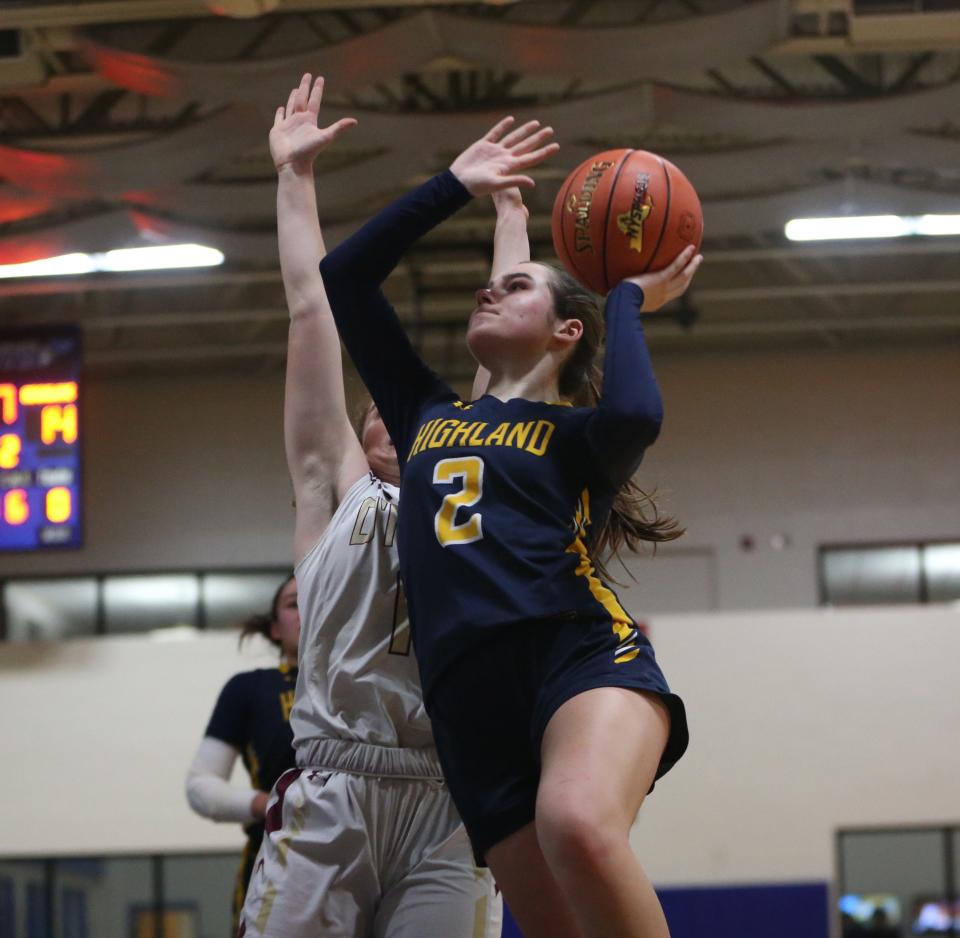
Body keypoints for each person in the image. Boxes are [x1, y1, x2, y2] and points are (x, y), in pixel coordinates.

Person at [320, 103, 702, 938]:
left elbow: (636, 413)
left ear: (568, 330)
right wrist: (455, 184)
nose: (491, 286)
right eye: (494, 282)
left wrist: (629, 299)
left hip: (574, 651)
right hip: (465, 700)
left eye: (516, 283)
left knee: (578, 825)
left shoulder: (576, 438)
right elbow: (345, 275)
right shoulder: (425, 413)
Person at [237, 74, 499, 938]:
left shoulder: (477, 488)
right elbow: (313, 310)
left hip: (449, 794)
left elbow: (513, 369)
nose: (382, 408)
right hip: (332, 789)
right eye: (369, 406)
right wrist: (294, 179)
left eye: (403, 402)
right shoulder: (335, 490)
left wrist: (509, 215)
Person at [185, 573, 299, 932]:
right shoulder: (248, 688)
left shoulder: (372, 680)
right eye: (295, 603)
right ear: (275, 629)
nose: (310, 607)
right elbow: (200, 786)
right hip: (277, 859)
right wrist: (268, 804)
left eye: (322, 594)